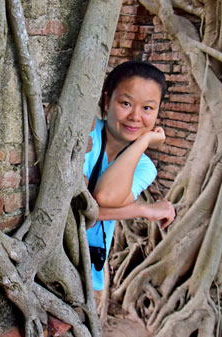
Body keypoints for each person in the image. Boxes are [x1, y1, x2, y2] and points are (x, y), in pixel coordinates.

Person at [84, 60, 176, 293]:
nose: (135, 116)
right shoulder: (85, 134)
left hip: (88, 268)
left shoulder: (145, 167)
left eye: (148, 108)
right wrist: (141, 209)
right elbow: (80, 208)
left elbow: (103, 201)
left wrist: (143, 142)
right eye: (126, 103)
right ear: (107, 101)